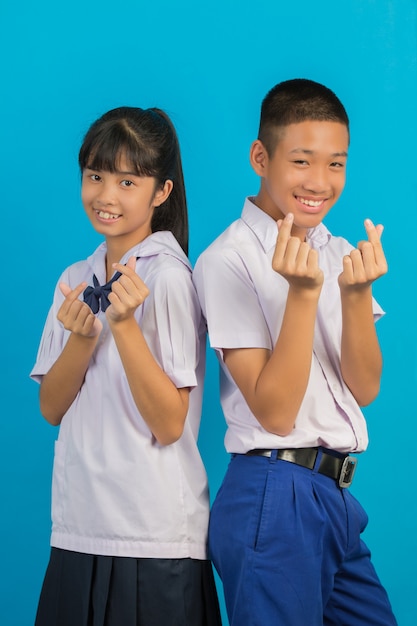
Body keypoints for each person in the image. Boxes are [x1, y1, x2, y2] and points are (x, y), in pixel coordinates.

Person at [193, 78, 397, 625]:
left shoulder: (334, 249)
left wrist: (355, 296)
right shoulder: (228, 259)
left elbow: (365, 388)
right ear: (261, 156)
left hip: (334, 499)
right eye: (302, 161)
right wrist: (303, 295)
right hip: (273, 494)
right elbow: (276, 412)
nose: (321, 182)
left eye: (336, 164)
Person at [31, 106, 222, 626]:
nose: (106, 195)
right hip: (76, 525)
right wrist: (81, 339)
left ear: (161, 192)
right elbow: (51, 407)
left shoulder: (169, 278)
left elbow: (168, 424)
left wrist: (125, 327)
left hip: (153, 536)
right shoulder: (76, 276)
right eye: (95, 175)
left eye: (127, 180)